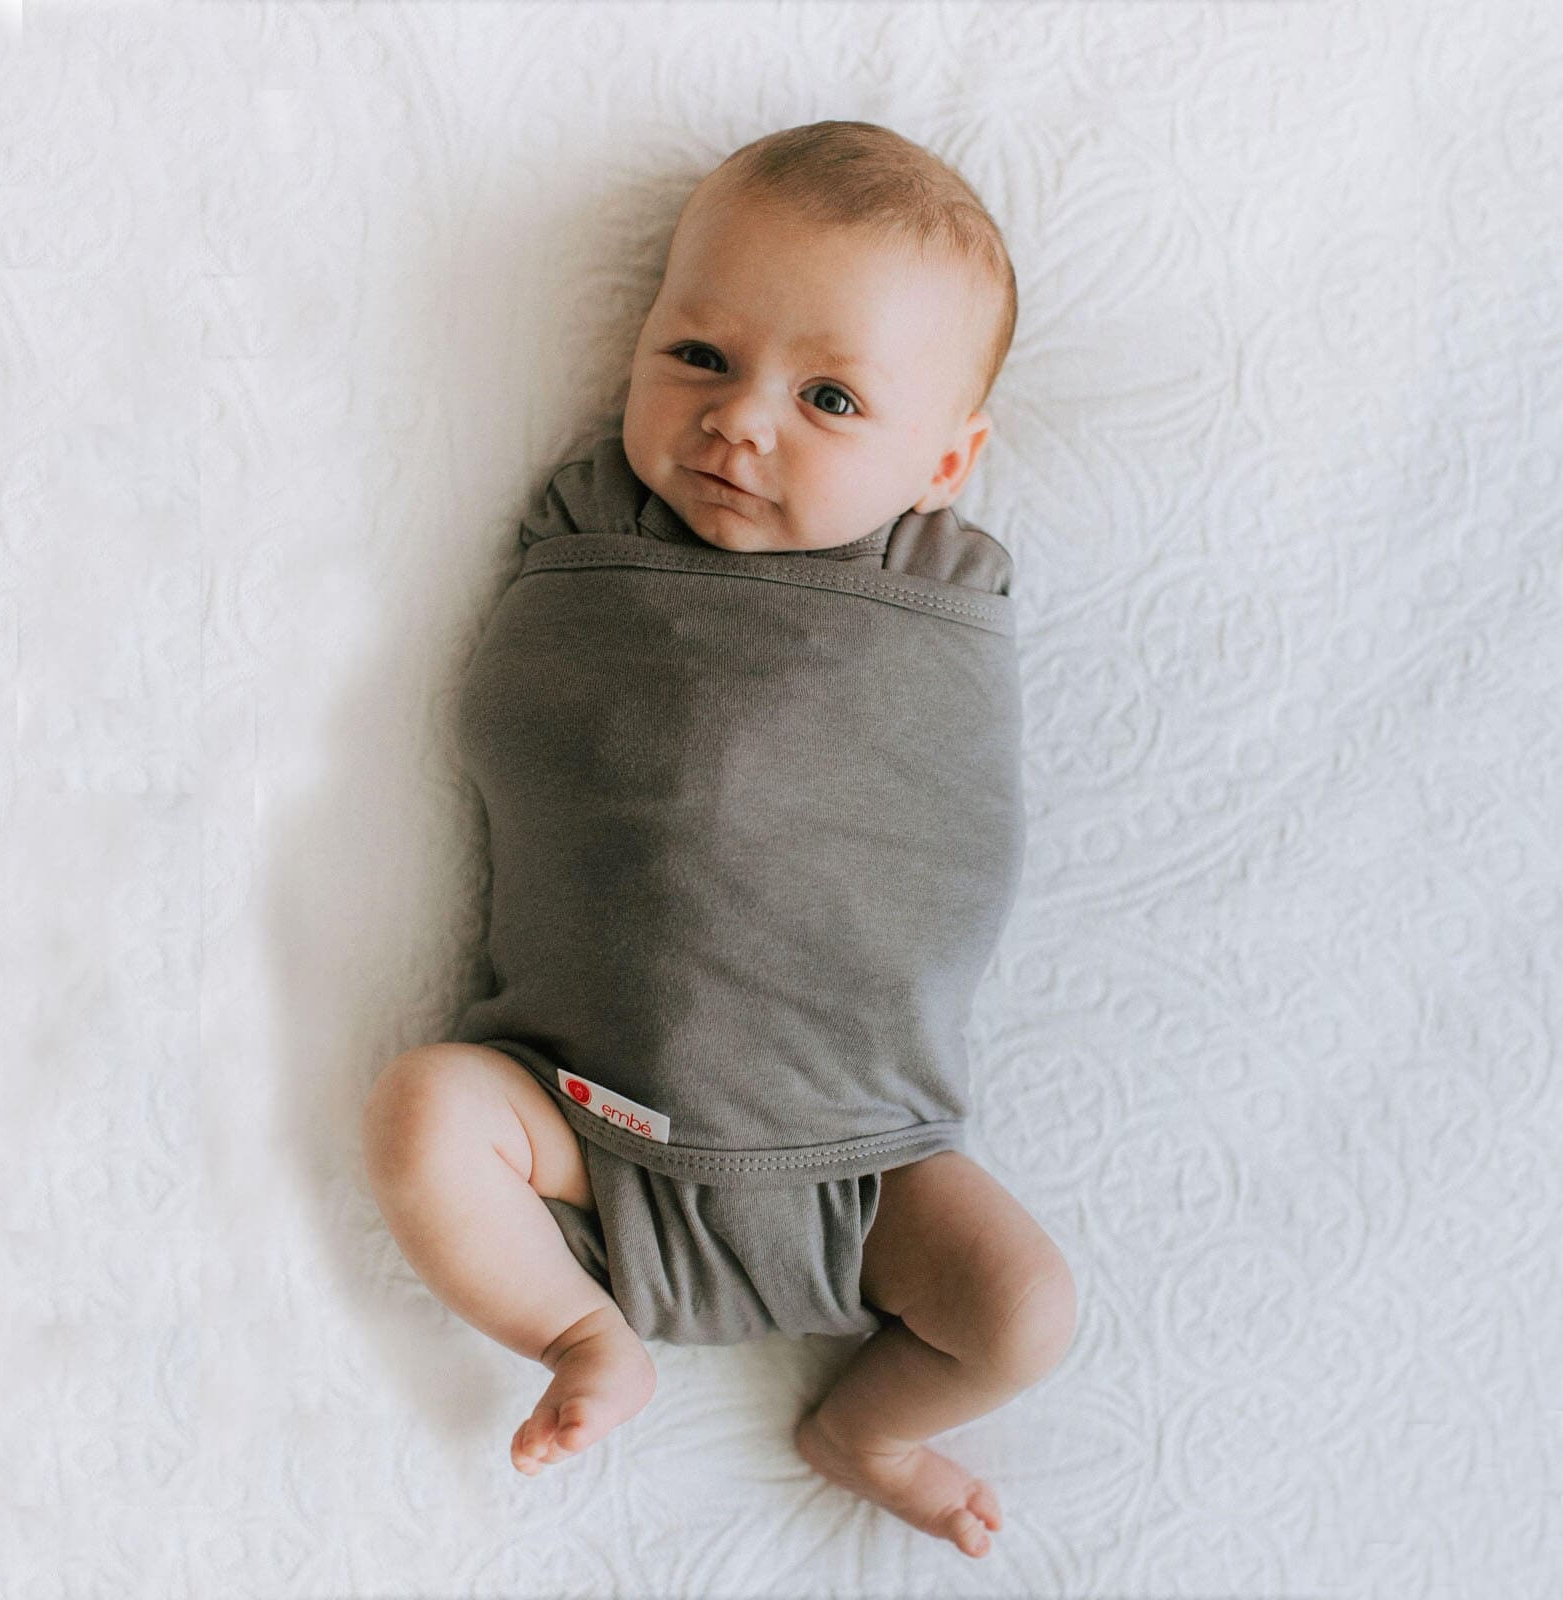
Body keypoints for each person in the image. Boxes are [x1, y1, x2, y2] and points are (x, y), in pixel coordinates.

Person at [362, 120, 1076, 1560]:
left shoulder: (935, 584)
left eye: (829, 396)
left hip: (865, 1158)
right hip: (581, 1111)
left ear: (947, 458)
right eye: (699, 357)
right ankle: (580, 1332)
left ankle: (867, 1426)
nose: (742, 420)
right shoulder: (593, 526)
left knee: (1025, 1310)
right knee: (424, 1115)